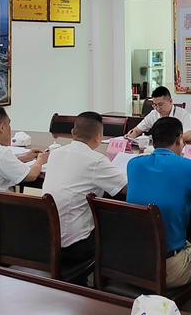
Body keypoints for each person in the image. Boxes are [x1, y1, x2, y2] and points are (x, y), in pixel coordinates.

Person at [126, 117, 191, 288]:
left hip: (131, 261)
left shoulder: (133, 164)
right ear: (179, 139)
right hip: (168, 267)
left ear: (153, 141)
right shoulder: (188, 167)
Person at [42, 111, 127, 284]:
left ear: (73, 133)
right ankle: (108, 283)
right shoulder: (96, 160)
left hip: (46, 236)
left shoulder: (55, 153)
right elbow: (126, 188)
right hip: (74, 246)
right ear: (98, 137)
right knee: (119, 227)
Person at [125, 86, 191, 142]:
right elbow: (137, 130)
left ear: (170, 101)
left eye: (160, 104)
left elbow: (189, 136)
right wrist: (130, 135)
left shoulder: (183, 114)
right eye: (155, 105)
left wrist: (168, 140)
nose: (157, 108)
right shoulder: (153, 114)